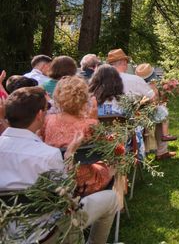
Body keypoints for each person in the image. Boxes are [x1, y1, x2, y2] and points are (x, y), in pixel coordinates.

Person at [0, 87, 118, 244]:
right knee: (111, 198)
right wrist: (69, 156)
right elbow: (67, 195)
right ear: (40, 114)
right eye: (46, 108)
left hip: (5, 231)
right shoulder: (47, 155)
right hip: (46, 233)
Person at [42, 76, 113, 196]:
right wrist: (94, 119)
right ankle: (118, 204)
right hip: (85, 183)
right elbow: (106, 149)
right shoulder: (89, 124)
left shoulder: (47, 121)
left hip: (55, 181)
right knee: (117, 158)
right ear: (84, 98)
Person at [107, 49, 175, 160]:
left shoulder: (99, 80)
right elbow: (153, 98)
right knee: (162, 112)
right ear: (124, 63)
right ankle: (162, 151)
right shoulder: (134, 79)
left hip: (106, 123)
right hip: (131, 121)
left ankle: (159, 150)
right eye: (126, 62)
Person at [135, 63, 176, 142]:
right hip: (151, 109)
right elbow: (154, 97)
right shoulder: (152, 85)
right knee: (165, 114)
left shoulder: (140, 84)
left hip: (142, 109)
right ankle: (165, 134)